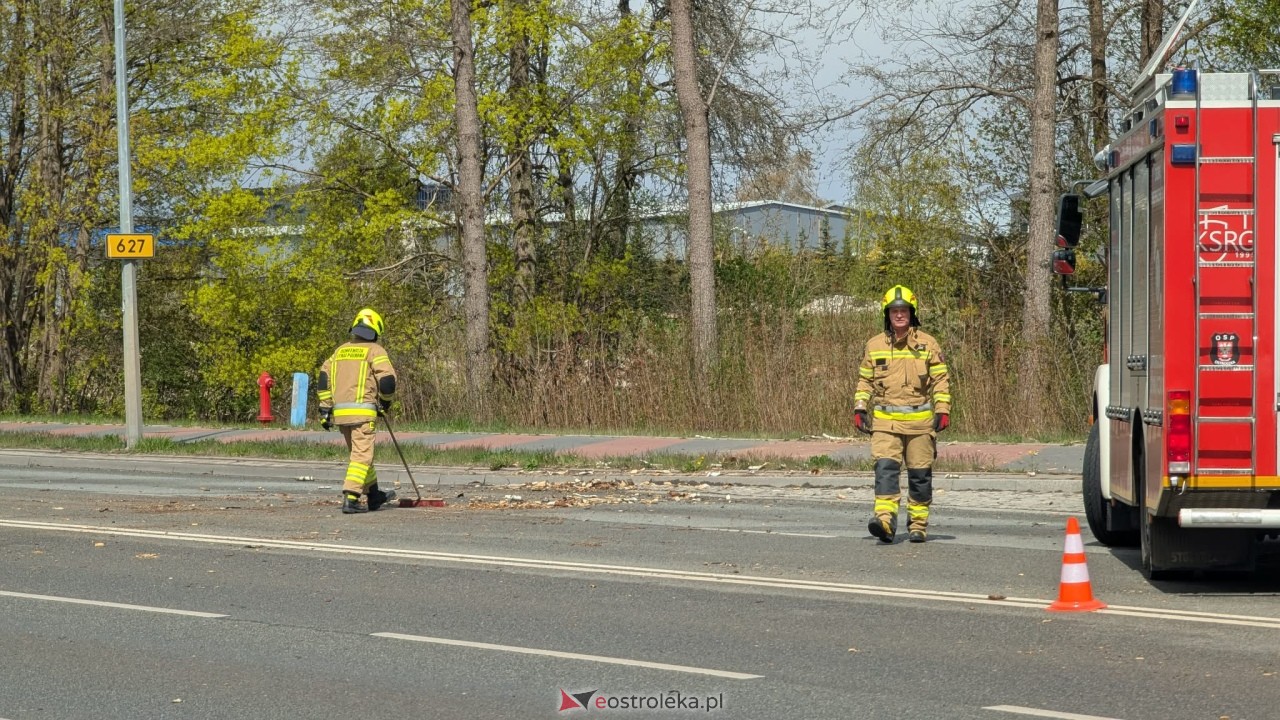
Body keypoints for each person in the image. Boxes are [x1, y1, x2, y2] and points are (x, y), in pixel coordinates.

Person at [853, 285, 951, 543]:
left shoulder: (928, 344)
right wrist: (860, 407)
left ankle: (918, 525)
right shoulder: (874, 345)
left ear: (912, 313)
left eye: (904, 310)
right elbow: (865, 381)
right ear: (887, 314)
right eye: (894, 310)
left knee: (920, 476)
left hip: (920, 424)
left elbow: (941, 380)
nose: (899, 314)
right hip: (886, 423)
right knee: (885, 471)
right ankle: (885, 521)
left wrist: (943, 410)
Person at [317, 308, 399, 514]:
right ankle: (351, 497)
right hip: (363, 414)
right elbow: (388, 381)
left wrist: (325, 409)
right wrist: (385, 404)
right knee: (362, 456)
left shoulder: (339, 351)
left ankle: (374, 495)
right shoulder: (375, 351)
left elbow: (323, 379)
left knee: (360, 455)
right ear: (375, 330)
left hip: (341, 415)